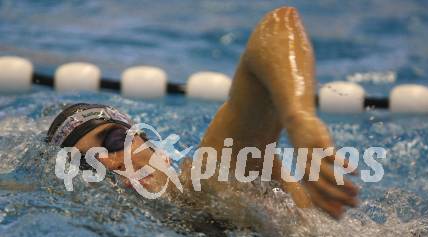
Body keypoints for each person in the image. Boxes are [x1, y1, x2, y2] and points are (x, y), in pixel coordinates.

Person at [46, 7, 358, 219]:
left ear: (149, 144)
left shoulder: (211, 176)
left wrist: (300, 119)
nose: (107, 162)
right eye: (85, 164)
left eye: (114, 140)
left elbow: (278, 27)